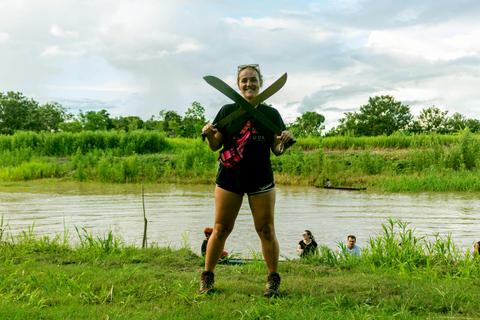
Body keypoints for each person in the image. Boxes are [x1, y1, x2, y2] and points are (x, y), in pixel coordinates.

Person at [199, 64, 294, 297]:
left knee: (266, 230)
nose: (249, 84)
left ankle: (273, 281)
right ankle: (207, 279)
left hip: (261, 179)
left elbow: (277, 149)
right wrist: (209, 134)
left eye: (253, 80)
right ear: (238, 84)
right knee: (220, 229)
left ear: (260, 83)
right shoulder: (226, 111)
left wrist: (285, 141)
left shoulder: (271, 114)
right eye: (244, 80)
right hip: (229, 178)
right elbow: (215, 146)